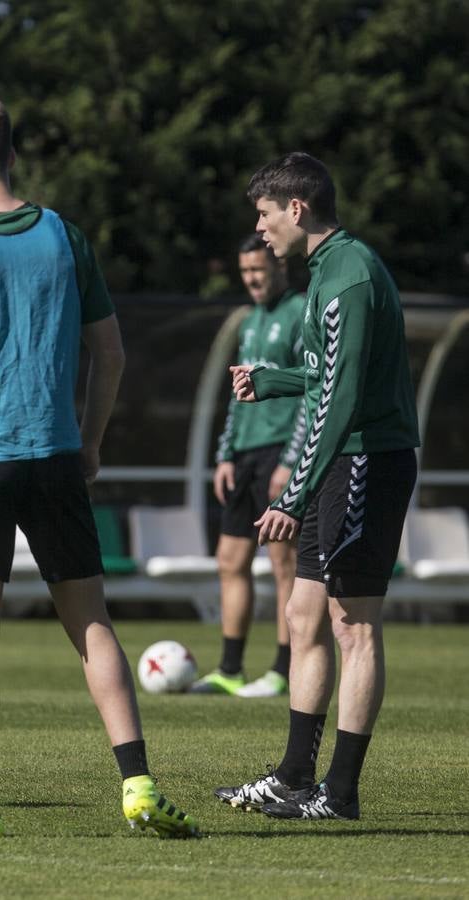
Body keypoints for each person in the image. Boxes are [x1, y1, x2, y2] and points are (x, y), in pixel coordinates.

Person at [0, 96, 199, 839]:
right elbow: (111, 353)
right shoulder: (67, 237)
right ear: (13, 153)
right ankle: (137, 784)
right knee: (91, 620)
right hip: (57, 454)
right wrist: (90, 440)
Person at [217, 152, 419, 820]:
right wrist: (273, 380)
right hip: (342, 460)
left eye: (266, 215)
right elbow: (330, 377)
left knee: (352, 624)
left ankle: (340, 792)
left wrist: (291, 496)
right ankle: (293, 776)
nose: (262, 229)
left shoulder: (350, 277)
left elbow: (342, 402)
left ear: (296, 209)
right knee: (304, 616)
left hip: (366, 460)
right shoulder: (327, 273)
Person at [192, 236, 305, 697]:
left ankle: (282, 670)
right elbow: (239, 396)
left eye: (258, 270)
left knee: (284, 563)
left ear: (278, 265)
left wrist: (292, 461)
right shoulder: (251, 320)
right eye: (245, 273)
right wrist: (224, 454)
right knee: (230, 560)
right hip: (244, 456)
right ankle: (230, 669)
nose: (252, 280)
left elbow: (313, 391)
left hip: (281, 452)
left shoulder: (300, 311)